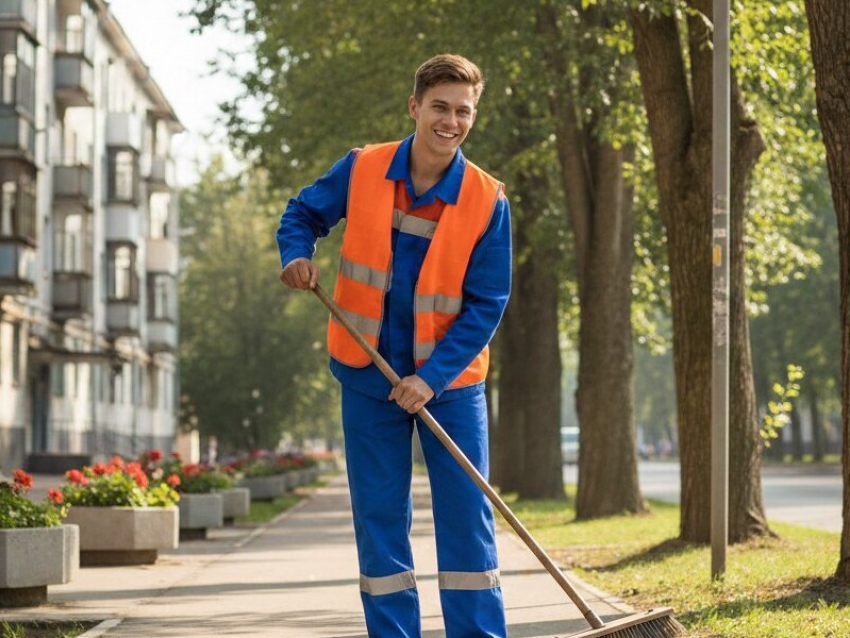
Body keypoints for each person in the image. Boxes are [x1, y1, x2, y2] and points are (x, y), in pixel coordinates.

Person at [277, 53, 511, 638]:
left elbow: (486, 304)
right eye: (440, 107)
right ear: (414, 107)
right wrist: (297, 255)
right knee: (380, 522)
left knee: (467, 520)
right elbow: (301, 213)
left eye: (463, 111)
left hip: (451, 386)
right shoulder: (362, 168)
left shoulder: (488, 201)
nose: (450, 121)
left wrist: (430, 379)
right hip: (367, 373)